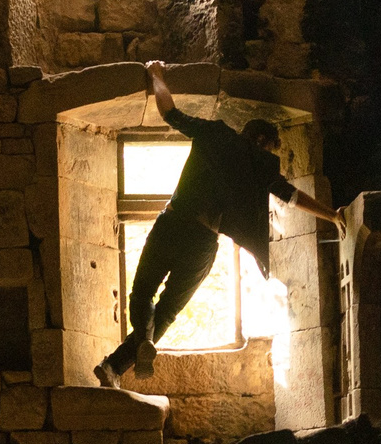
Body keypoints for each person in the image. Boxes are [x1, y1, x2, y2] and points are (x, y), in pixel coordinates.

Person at [95, 61, 342, 387]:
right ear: (264, 141)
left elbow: (170, 113)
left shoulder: (214, 133)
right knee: (168, 311)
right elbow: (291, 195)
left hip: (172, 223)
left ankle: (140, 342)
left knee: (142, 293)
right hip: (202, 243)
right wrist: (332, 215)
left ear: (244, 132)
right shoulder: (259, 164)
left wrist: (157, 75)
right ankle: (116, 365)